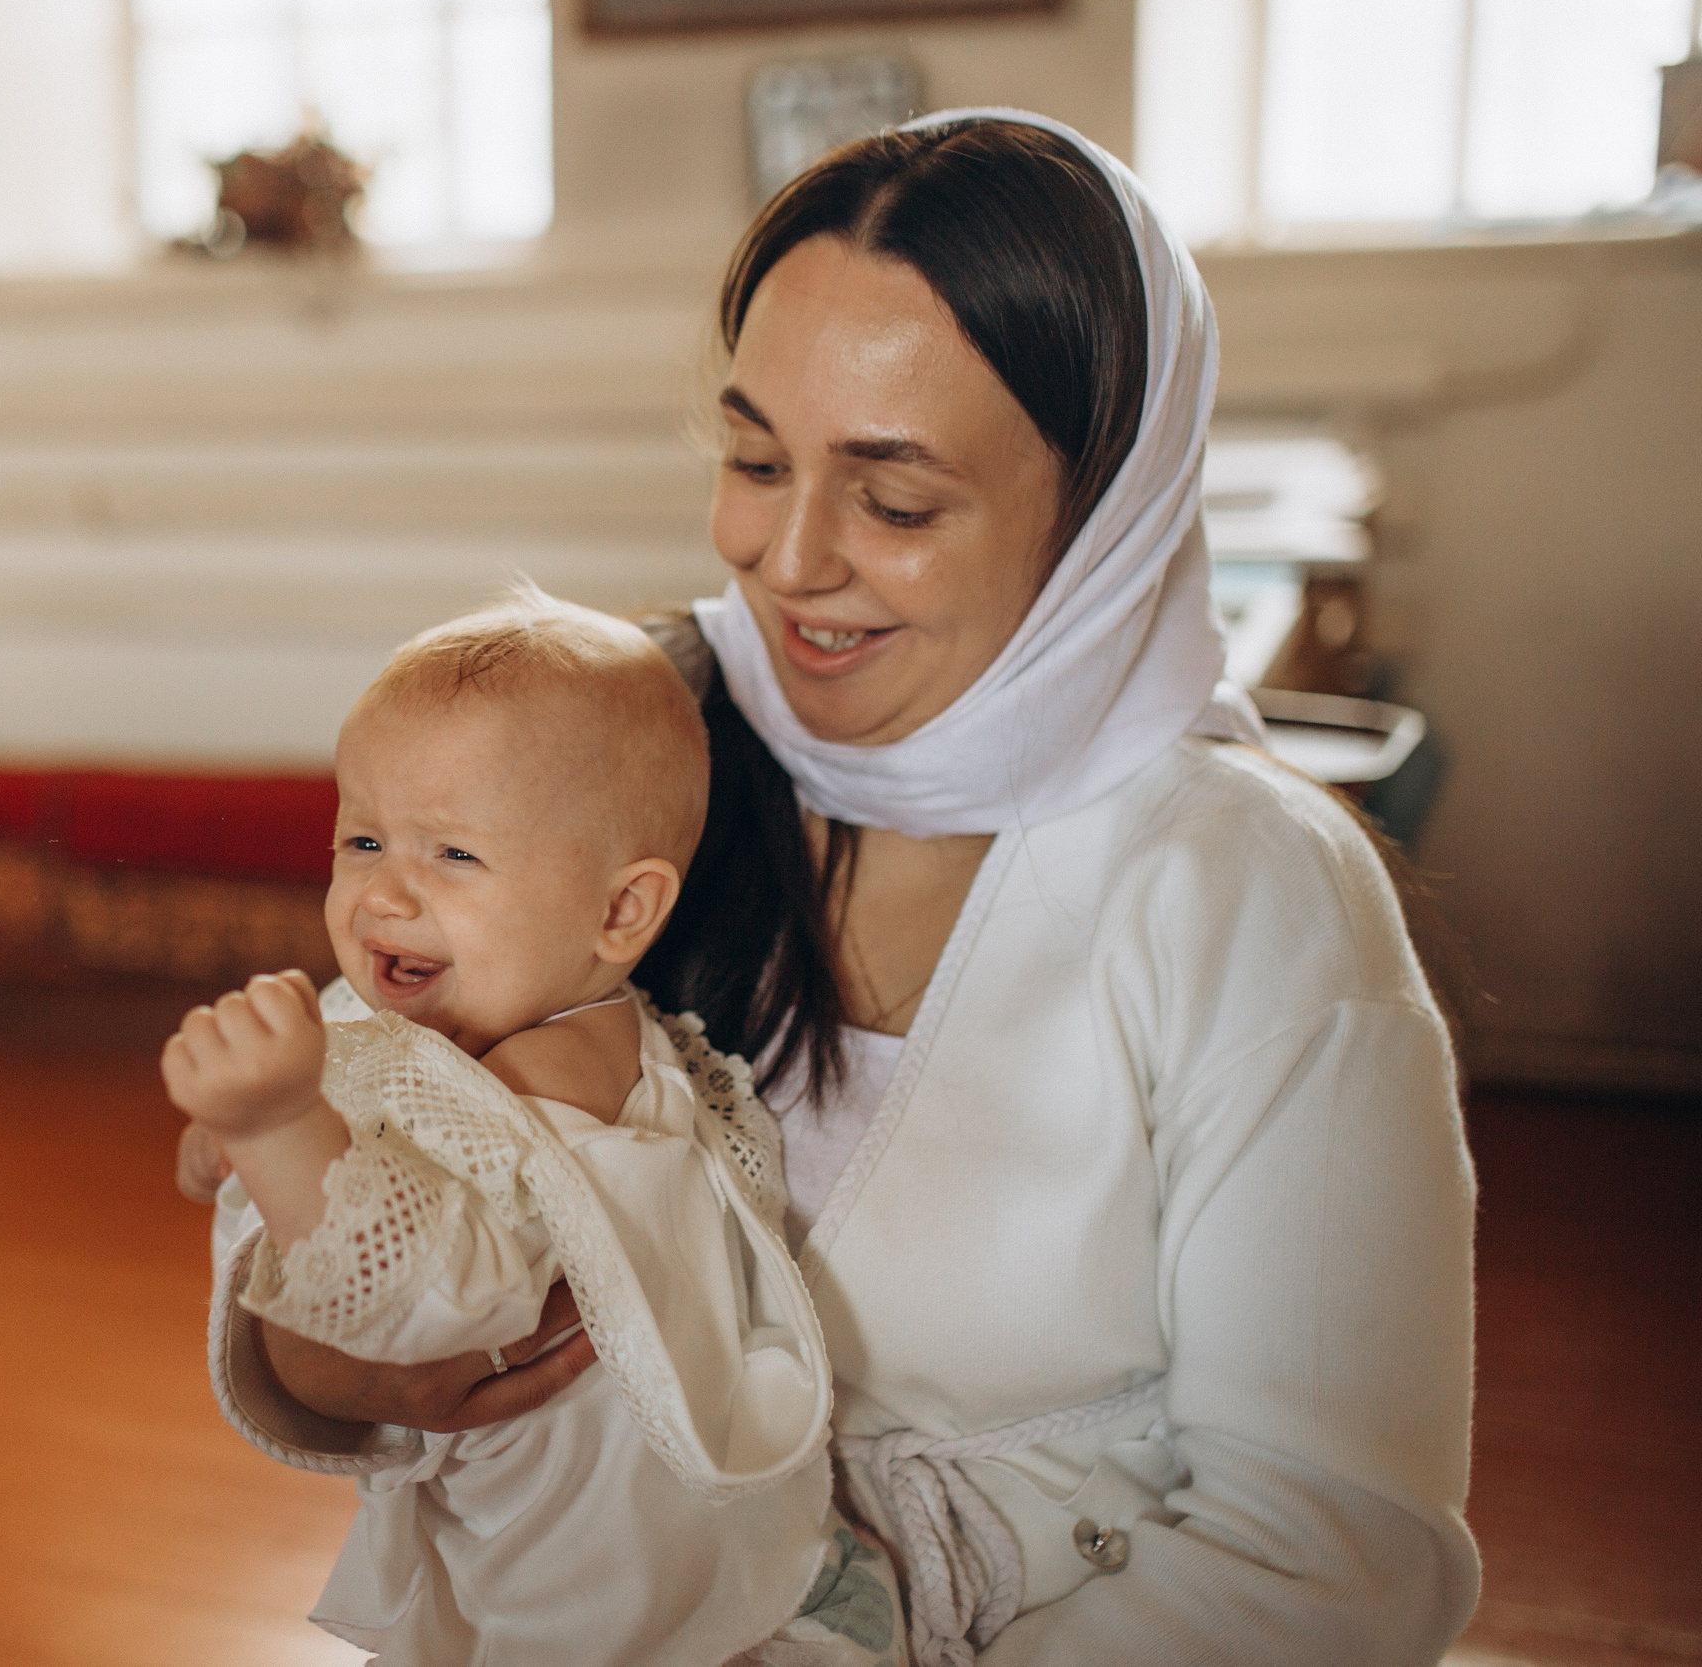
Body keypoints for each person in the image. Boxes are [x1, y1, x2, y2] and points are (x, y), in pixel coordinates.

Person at [196, 111, 1480, 1664]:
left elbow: (1328, 1559)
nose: (786, 557)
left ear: (1104, 517)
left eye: (898, 500)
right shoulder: (629, 744)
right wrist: (344, 1356)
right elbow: (365, 1133)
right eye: (752, 458)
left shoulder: (1242, 889)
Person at [167, 595, 903, 1665]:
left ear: (619, 913)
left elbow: (442, 1296)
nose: (383, 893)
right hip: (546, 1560)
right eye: (362, 837)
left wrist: (278, 1126)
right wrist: (239, 1136)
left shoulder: (558, 1078)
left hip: (608, 1618)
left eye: (453, 855)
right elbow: (348, 1142)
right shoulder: (477, 1008)